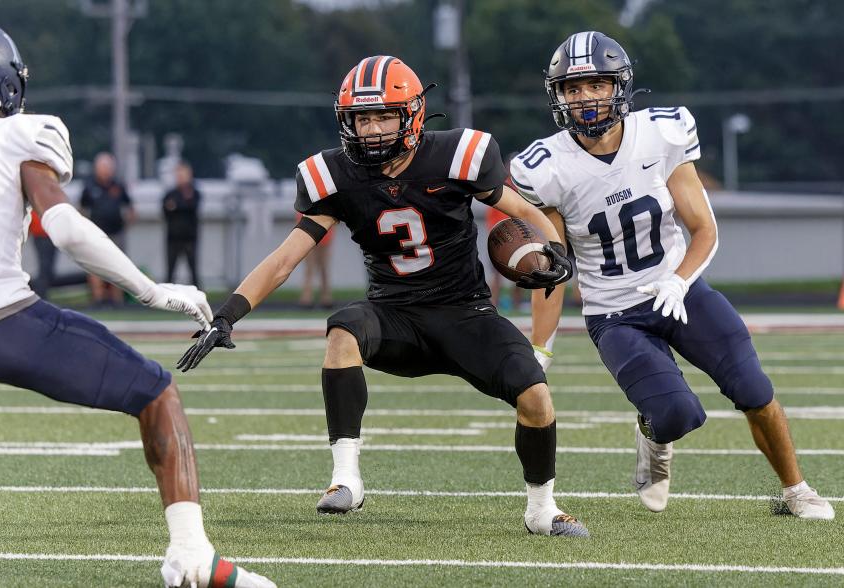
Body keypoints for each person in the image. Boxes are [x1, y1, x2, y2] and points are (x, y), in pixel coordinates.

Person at [0, 19, 275, 587]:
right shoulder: (19, 135)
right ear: (3, 83)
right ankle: (192, 556)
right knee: (157, 392)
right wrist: (151, 289)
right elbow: (64, 228)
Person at [177, 55, 587, 537]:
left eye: (384, 116)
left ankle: (542, 509)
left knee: (536, 395)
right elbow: (285, 259)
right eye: (362, 118)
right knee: (343, 329)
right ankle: (344, 479)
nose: (372, 129)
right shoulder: (333, 175)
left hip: (465, 313)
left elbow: (524, 210)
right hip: (393, 315)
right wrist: (227, 315)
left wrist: (555, 251)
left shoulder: (459, 155)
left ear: (411, 116)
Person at [513, 31, 834, 520]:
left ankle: (796, 490)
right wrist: (540, 349)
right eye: (572, 88)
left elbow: (703, 228)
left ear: (619, 86)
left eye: (596, 85)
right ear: (557, 96)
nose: (585, 98)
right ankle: (652, 435)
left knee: (754, 389)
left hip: (679, 291)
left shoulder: (662, 132)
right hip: (614, 313)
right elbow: (556, 268)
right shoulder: (546, 166)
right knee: (678, 414)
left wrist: (679, 280)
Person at [80, 152, 134, 307]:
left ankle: (117, 301)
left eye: (108, 167)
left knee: (118, 267)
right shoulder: (90, 186)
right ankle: (98, 299)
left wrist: (124, 225)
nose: (105, 170)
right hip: (95, 235)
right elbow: (82, 209)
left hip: (115, 233)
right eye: (102, 167)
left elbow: (130, 208)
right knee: (95, 267)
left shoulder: (118, 186)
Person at [162, 161, 202, 287]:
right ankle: (167, 297)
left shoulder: (194, 193)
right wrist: (180, 206)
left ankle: (198, 296)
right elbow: (165, 210)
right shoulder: (170, 193)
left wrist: (176, 206)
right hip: (173, 238)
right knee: (170, 271)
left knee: (193, 271)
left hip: (190, 238)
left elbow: (191, 207)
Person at [296, 213, 334, 308]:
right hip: (308, 215)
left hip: (325, 214)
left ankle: (325, 294)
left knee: (323, 263)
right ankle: (307, 294)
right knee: (309, 263)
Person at [28, 209, 57, 299]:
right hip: (42, 236)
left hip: (49, 234)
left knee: (47, 268)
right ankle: (41, 295)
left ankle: (42, 294)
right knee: (45, 268)